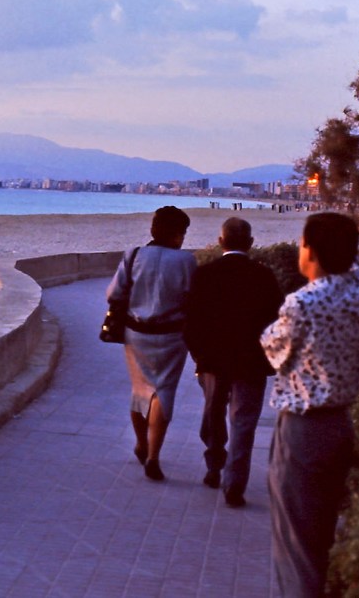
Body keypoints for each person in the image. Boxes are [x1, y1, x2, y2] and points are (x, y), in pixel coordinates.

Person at [261, 212, 359, 598]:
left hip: (304, 428)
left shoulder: (303, 303)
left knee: (296, 547)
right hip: (340, 424)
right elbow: (353, 267)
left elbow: (273, 349)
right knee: (320, 534)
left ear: (311, 251)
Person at [184, 217, 283, 507]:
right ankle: (235, 482)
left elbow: (190, 321)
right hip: (251, 362)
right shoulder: (263, 276)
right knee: (244, 422)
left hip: (213, 360)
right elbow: (277, 321)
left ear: (220, 241)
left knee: (213, 412)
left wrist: (199, 355)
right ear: (250, 243)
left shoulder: (205, 275)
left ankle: (214, 464)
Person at [106, 206, 196, 481]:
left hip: (136, 333)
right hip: (171, 335)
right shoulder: (186, 261)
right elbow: (192, 298)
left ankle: (141, 444)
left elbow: (113, 293)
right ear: (178, 234)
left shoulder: (134, 255)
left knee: (140, 389)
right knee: (163, 391)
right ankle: (154, 456)